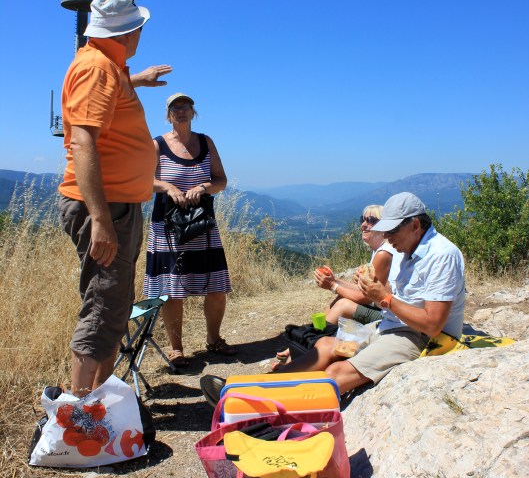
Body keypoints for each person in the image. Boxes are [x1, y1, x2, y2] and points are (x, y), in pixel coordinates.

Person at [199, 192, 465, 406]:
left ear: (415, 225)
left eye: (392, 231)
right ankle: (258, 386)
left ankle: (252, 404)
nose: (387, 237)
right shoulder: (406, 249)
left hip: (417, 337)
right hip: (388, 327)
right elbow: (384, 298)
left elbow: (432, 324)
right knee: (326, 345)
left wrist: (384, 298)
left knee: (336, 374)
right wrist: (370, 290)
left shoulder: (441, 256)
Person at [58, 0, 172, 399]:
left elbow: (108, 87)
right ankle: (80, 412)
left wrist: (134, 79)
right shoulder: (95, 69)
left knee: (116, 302)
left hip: (119, 206)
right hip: (105, 209)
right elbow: (84, 143)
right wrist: (102, 220)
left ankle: (99, 402)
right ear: (130, 31)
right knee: (104, 304)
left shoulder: (105, 65)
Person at [143, 93, 235, 368]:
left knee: (216, 287)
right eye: (175, 108)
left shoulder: (206, 142)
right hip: (167, 228)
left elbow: (221, 180)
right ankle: (176, 348)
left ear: (193, 113)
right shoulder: (157, 145)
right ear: (168, 115)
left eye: (185, 107)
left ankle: (214, 339)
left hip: (202, 225)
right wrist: (168, 188)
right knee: (173, 291)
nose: (181, 111)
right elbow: (144, 179)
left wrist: (202, 187)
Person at [272, 204, 400, 367]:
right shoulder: (379, 250)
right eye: (363, 219)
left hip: (389, 314)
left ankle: (304, 348)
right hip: (383, 309)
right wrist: (335, 281)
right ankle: (305, 345)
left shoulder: (384, 253)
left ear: (385, 227)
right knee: (339, 299)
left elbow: (366, 297)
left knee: (343, 305)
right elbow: (366, 292)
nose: (364, 224)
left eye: (372, 220)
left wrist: (333, 285)